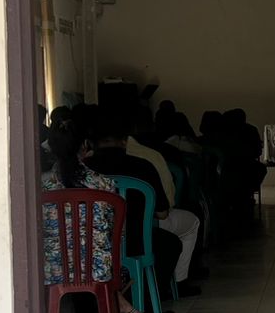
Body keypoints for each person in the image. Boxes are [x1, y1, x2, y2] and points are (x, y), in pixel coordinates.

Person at [40, 127, 145, 313]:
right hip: (97, 269)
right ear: (85, 147)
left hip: (51, 269)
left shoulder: (40, 186)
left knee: (75, 260)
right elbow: (116, 230)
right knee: (86, 259)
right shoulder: (102, 184)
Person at [83, 107, 202, 298]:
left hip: (90, 243)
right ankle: (172, 286)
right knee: (177, 236)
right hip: (136, 240)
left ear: (90, 142)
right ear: (125, 140)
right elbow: (162, 213)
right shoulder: (144, 165)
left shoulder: (82, 169)